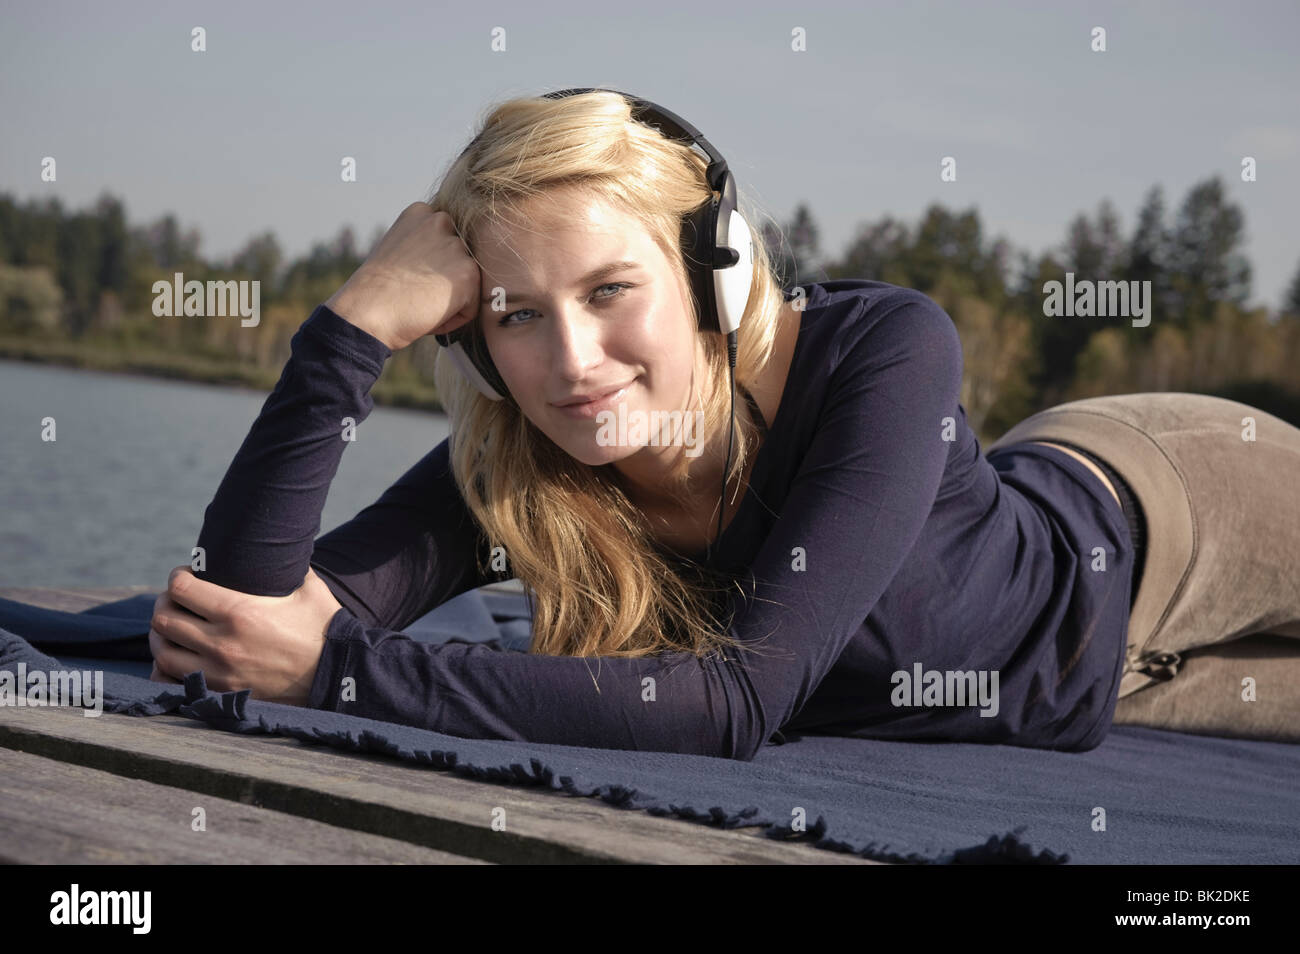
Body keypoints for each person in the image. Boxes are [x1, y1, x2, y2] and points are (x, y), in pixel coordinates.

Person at [147, 90, 1300, 759]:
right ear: (472, 344)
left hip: (1173, 515)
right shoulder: (522, 460)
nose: (572, 363)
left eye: (609, 292)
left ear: (720, 276)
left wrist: (344, 671)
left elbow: (739, 700)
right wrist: (347, 333)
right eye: (516, 316)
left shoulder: (886, 351)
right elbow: (238, 627)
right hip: (1110, 691)